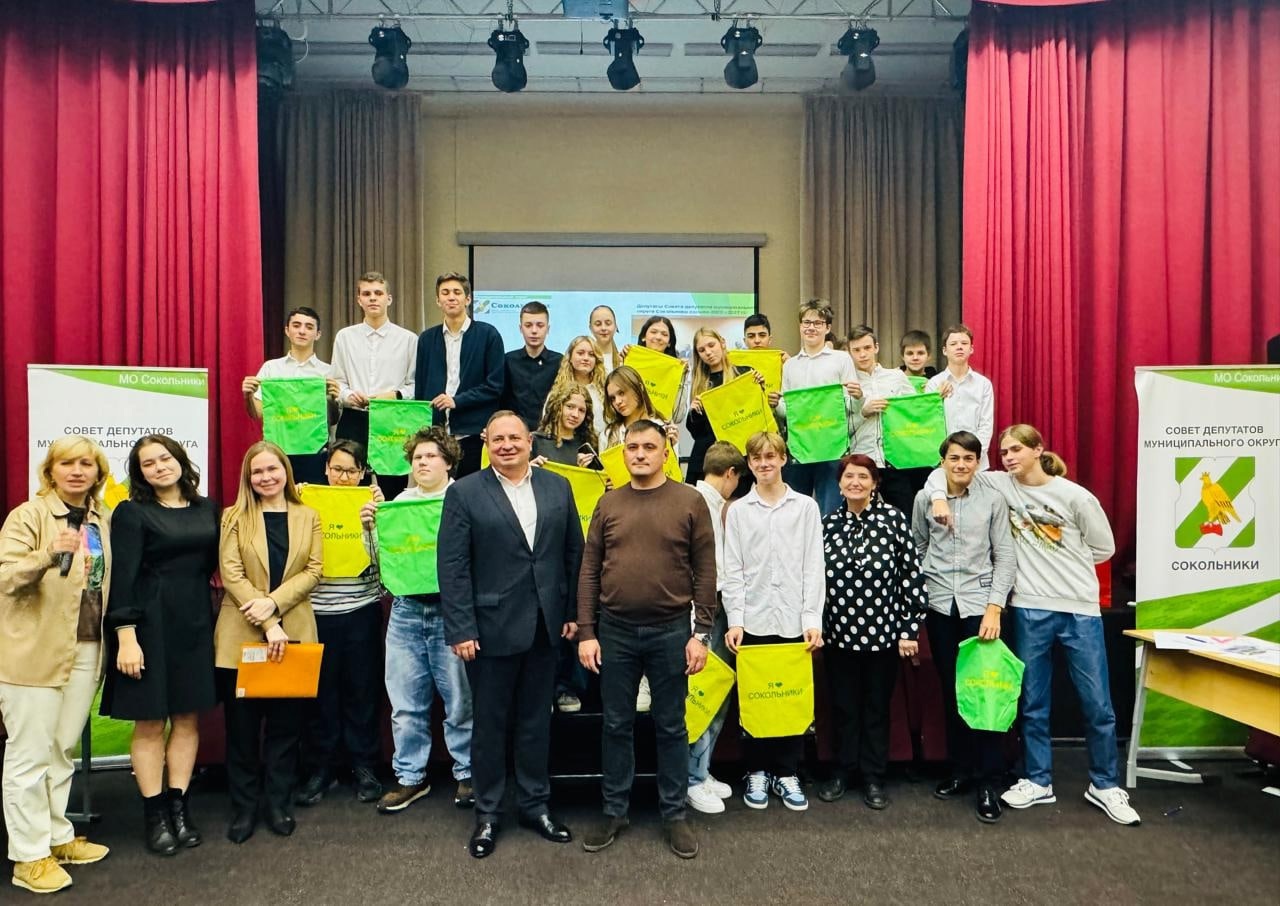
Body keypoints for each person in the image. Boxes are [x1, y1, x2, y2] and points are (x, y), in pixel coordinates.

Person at [927, 425, 1140, 826]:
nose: (1008, 457)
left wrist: (1065, 564)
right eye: (1004, 451)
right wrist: (939, 497)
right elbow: (943, 472)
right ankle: (1038, 779)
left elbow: (1104, 548)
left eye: (1016, 450)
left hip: (1079, 608)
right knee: (1032, 702)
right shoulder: (998, 484)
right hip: (1028, 607)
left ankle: (1105, 784)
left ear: (1038, 450)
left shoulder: (1074, 496)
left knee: (1097, 702)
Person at [439, 412, 583, 859]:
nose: (506, 445)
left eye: (514, 438)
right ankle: (488, 814)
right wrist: (461, 627)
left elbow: (573, 554)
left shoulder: (558, 487)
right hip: (488, 632)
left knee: (536, 723)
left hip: (545, 626)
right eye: (497, 438)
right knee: (489, 726)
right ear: (486, 442)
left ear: (529, 441)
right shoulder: (464, 492)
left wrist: (573, 614)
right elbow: (452, 565)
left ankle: (535, 806)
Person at [578, 419, 716, 860]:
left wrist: (701, 633)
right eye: (632, 447)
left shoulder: (689, 500)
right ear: (623, 453)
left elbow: (706, 570)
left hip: (672, 630)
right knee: (615, 724)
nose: (639, 454)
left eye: (648, 447)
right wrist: (586, 631)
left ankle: (674, 814)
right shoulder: (608, 503)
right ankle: (614, 810)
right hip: (615, 631)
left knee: (671, 725)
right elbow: (589, 570)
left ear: (665, 452)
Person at [0, 437, 112, 894]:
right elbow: (6, 577)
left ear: (98, 473)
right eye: (67, 463)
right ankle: (28, 857)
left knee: (62, 748)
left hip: (86, 645)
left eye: (86, 463)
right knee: (28, 756)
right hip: (34, 650)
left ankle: (56, 836)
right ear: (50, 471)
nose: (77, 471)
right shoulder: (28, 516)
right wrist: (48, 554)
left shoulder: (101, 518)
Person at [100, 435, 220, 856]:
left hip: (194, 622)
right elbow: (123, 575)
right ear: (140, 473)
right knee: (150, 722)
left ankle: (179, 808)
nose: (158, 467)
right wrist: (126, 636)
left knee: (186, 719)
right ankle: (155, 815)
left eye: (164, 458)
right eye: (147, 463)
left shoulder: (207, 508)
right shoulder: (131, 512)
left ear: (180, 460)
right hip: (147, 625)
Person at [359, 427, 474, 816]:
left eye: (430, 456)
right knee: (406, 703)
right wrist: (370, 529)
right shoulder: (399, 504)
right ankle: (411, 777)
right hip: (406, 611)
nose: (422, 463)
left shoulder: (464, 500)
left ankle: (468, 774)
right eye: (417, 458)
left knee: (460, 701)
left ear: (448, 462)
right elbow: (379, 562)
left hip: (451, 611)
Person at [214, 441, 323, 844]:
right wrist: (268, 622)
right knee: (242, 731)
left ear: (285, 472)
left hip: (294, 631)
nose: (266, 477)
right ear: (248, 477)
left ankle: (278, 804)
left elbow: (314, 570)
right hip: (241, 634)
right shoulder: (233, 516)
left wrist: (274, 605)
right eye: (257, 471)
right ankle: (244, 809)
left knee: (285, 731)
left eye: (272, 469)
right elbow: (231, 574)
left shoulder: (308, 515)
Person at [911, 432, 1015, 823]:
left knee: (983, 693)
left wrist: (994, 609)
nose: (961, 465)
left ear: (978, 462)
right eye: (954, 458)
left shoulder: (993, 500)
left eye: (968, 458)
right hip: (940, 606)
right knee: (953, 691)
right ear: (943, 461)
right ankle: (962, 769)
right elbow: (918, 547)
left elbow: (1004, 557)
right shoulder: (925, 499)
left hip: (979, 607)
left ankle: (989, 780)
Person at [817, 453, 927, 810]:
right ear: (839, 484)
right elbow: (813, 579)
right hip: (837, 636)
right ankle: (843, 771)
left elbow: (912, 577)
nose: (855, 483)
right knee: (844, 708)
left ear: (875, 483)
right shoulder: (827, 524)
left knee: (876, 709)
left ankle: (873, 776)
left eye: (863, 477)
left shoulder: (894, 520)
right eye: (849, 476)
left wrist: (909, 629)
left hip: (883, 636)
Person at [723, 431, 825, 813]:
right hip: (754, 618)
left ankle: (787, 772)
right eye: (757, 458)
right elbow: (732, 569)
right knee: (757, 699)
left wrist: (812, 617)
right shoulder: (738, 511)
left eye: (771, 456)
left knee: (790, 698)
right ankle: (756, 771)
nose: (764, 463)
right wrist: (736, 619)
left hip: (794, 619)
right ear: (749, 464)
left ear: (783, 459)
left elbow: (813, 566)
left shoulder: (805, 508)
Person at [295, 441, 386, 808]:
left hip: (361, 609)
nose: (343, 477)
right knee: (320, 696)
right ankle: (321, 769)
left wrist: (377, 521)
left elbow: (386, 564)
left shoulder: (374, 504)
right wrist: (295, 502)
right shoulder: (305, 502)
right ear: (326, 470)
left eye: (351, 470)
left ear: (362, 472)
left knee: (362, 692)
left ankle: (364, 766)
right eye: (337, 469)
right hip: (315, 613)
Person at [685, 442, 744, 815]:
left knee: (716, 690)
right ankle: (691, 778)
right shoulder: (696, 503)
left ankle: (701, 770)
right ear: (731, 474)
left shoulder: (715, 503)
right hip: (705, 608)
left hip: (715, 605)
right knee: (703, 693)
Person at [328, 272, 419, 492]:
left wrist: (395, 395)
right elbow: (337, 382)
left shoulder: (408, 339)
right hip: (354, 419)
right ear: (359, 300)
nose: (372, 298)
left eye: (378, 293)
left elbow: (415, 385)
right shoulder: (345, 337)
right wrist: (349, 395)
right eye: (366, 294)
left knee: (392, 488)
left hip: (391, 421)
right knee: (349, 486)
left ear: (389, 298)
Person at [415, 272, 506, 479]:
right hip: (437, 437)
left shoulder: (488, 334)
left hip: (473, 435)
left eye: (457, 292)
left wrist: (457, 401)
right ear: (438, 300)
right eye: (445, 292)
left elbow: (495, 386)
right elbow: (421, 388)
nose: (451, 297)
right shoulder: (427, 339)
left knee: (472, 492)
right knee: (437, 493)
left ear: (468, 299)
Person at [776, 300, 859, 515]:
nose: (811, 327)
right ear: (800, 326)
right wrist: (776, 405)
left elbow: (850, 405)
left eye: (818, 323)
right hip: (799, 448)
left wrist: (857, 397)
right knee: (794, 512)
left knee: (831, 512)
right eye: (806, 322)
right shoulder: (790, 365)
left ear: (827, 328)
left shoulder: (842, 359)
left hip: (832, 448)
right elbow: (786, 411)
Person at [241, 306, 340, 485]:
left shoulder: (328, 372)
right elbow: (257, 413)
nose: (302, 331)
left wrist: (333, 399)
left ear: (318, 334)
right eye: (296, 325)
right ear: (287, 330)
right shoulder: (271, 368)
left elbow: (332, 420)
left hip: (316, 453)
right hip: (278, 451)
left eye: (309, 327)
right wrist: (248, 395)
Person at [846, 325, 917, 515]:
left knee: (903, 516)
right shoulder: (847, 384)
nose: (862, 354)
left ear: (876, 347)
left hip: (895, 460)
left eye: (867, 348)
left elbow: (914, 412)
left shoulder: (897, 377)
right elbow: (839, 431)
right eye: (856, 350)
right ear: (849, 352)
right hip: (862, 460)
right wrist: (863, 412)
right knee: (861, 518)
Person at [925, 325, 995, 471]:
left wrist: (974, 456)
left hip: (976, 463)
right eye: (953, 344)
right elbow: (929, 424)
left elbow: (986, 425)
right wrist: (935, 399)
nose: (959, 347)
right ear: (944, 350)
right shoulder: (934, 383)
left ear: (971, 349)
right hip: (943, 462)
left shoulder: (983, 384)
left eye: (964, 343)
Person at [684, 328, 746, 484]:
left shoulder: (744, 374)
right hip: (704, 459)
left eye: (711, 345)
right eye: (702, 350)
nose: (708, 352)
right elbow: (696, 433)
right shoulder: (699, 384)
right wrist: (694, 411)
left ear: (722, 343)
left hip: (738, 457)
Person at [500, 301, 563, 431]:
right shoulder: (508, 360)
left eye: (540, 325)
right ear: (520, 328)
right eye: (528, 325)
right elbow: (500, 400)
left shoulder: (560, 362)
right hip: (514, 432)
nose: (534, 331)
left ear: (548, 329)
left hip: (549, 433)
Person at [602, 365, 681, 452]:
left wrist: (671, 447)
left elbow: (672, 461)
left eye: (621, 393)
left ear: (640, 387)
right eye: (612, 398)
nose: (617, 401)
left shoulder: (664, 429)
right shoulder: (608, 435)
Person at [544, 335, 608, 440]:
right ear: (570, 357)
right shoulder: (558, 391)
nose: (586, 358)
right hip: (564, 446)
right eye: (580, 353)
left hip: (601, 446)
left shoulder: (604, 390)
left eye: (591, 354)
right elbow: (547, 424)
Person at [533, 387, 600, 469]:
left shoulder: (589, 445)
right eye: (570, 407)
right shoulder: (535, 441)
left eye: (581, 410)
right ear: (557, 406)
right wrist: (529, 468)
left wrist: (584, 469)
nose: (575, 415)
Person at [589, 304, 622, 375]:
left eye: (608, 323)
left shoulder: (624, 360)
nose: (603, 328)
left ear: (616, 327)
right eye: (598, 324)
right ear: (590, 328)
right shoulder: (585, 360)